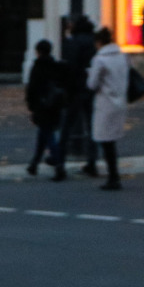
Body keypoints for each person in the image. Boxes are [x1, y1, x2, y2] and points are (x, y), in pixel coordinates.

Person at [54, 16, 97, 181]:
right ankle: (91, 161)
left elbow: (69, 67)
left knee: (66, 128)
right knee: (91, 127)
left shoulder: (72, 43)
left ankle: (60, 164)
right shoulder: (93, 43)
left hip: (74, 90)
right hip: (89, 89)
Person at [87, 26, 128, 191]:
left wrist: (89, 73)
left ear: (98, 42)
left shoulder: (100, 60)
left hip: (105, 103)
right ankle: (114, 175)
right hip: (119, 101)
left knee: (105, 141)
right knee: (111, 141)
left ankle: (113, 176)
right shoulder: (122, 56)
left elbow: (92, 84)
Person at [24, 39, 65, 177]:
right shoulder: (55, 66)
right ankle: (34, 164)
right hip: (54, 105)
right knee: (44, 133)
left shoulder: (37, 67)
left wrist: (31, 106)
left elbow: (32, 88)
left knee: (47, 134)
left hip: (41, 106)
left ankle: (58, 164)